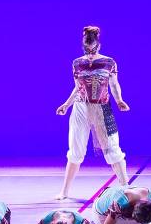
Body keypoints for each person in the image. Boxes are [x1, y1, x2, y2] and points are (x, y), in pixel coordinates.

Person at [55, 26, 130, 199]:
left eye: (92, 49)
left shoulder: (109, 62)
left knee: (112, 148)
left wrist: (119, 100)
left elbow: (114, 84)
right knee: (75, 150)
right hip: (81, 108)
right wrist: (66, 105)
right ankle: (64, 191)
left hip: (102, 108)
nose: (90, 54)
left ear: (98, 45)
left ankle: (126, 187)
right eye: (87, 50)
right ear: (83, 47)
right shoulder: (77, 63)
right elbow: (77, 88)